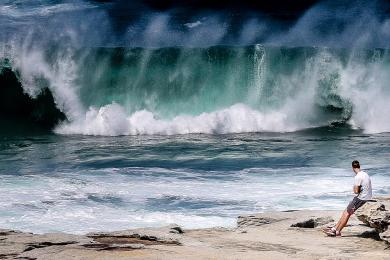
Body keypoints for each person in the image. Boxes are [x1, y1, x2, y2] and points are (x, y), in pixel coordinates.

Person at [323, 160, 372, 237]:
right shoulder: (364, 174)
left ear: (353, 168)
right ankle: (334, 228)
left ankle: (337, 232)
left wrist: (354, 188)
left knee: (347, 214)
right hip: (366, 196)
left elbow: (356, 191)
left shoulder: (358, 176)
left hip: (361, 198)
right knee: (345, 211)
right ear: (359, 166)